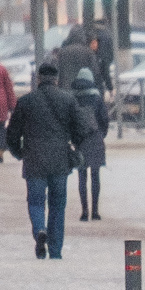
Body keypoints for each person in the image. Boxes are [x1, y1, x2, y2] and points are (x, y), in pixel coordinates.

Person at [6, 62, 90, 259]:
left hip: (34, 159)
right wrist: (74, 146)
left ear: (38, 79)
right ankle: (55, 250)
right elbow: (82, 128)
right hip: (60, 160)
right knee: (57, 205)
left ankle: (40, 230)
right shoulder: (67, 99)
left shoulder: (26, 101)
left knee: (35, 202)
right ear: (56, 79)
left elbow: (12, 133)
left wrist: (19, 153)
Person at [70, 67, 110, 221]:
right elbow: (104, 119)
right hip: (95, 138)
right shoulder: (96, 97)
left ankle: (84, 211)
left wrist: (74, 138)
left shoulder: (73, 98)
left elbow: (71, 121)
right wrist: (101, 134)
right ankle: (95, 211)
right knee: (95, 175)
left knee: (82, 176)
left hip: (80, 140)